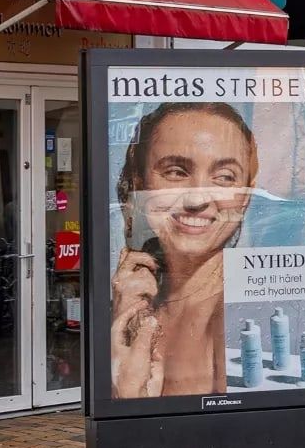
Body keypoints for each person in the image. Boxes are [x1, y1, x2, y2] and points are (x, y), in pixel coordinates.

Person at [110, 103, 258, 399]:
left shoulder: (240, 314)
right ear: (138, 183)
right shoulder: (133, 294)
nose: (198, 197)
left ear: (245, 195)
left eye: (225, 177)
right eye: (176, 172)